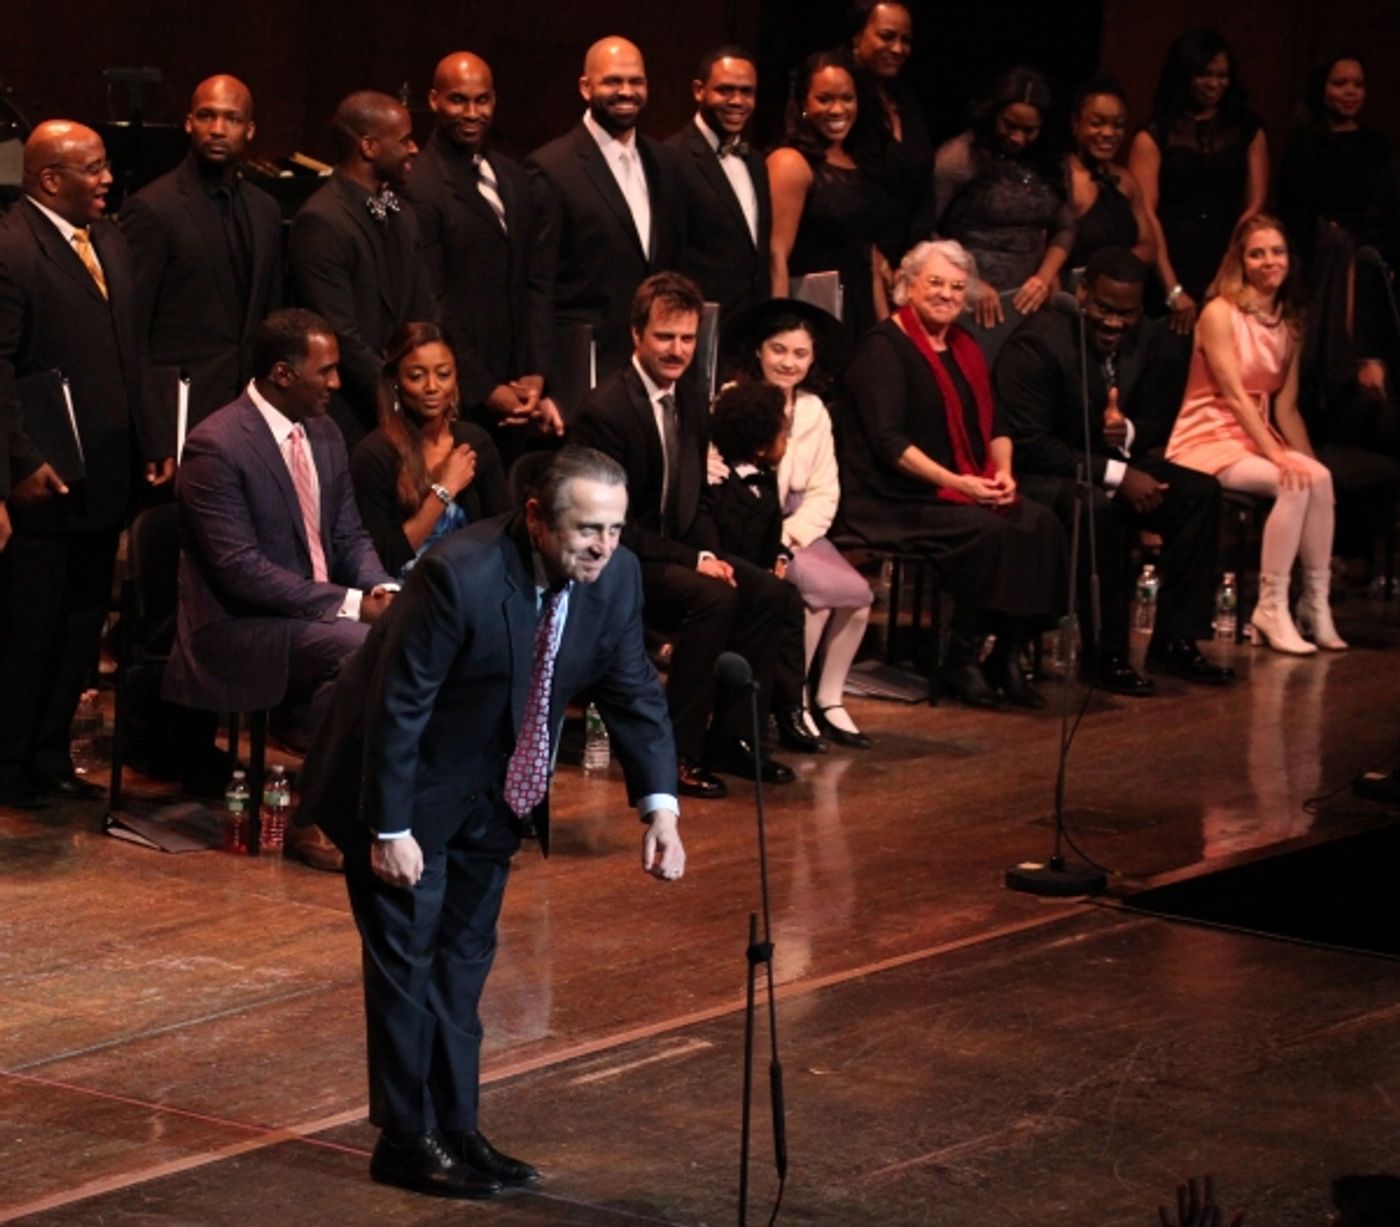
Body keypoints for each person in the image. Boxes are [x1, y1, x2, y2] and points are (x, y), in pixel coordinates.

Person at [297, 445, 685, 1200]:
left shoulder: (618, 576)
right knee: (407, 962)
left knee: (463, 962)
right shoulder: (458, 573)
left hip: (496, 792)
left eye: (615, 528)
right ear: (537, 518)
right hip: (401, 785)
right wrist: (389, 828)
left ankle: (457, 1125)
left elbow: (634, 687)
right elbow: (398, 704)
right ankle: (407, 1139)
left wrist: (659, 806)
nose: (604, 546)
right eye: (587, 529)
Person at [163, 309, 395, 867]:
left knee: (404, 631)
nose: (338, 385)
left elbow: (348, 533)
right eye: (328, 372)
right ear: (284, 374)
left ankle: (378, 805)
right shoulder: (216, 445)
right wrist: (350, 606)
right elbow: (240, 570)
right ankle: (313, 815)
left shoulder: (326, 432)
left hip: (310, 616)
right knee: (362, 646)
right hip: (237, 626)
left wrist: (382, 589)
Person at [0, 120, 172, 808]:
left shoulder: (108, 238)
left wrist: (155, 437)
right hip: (44, 476)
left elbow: (135, 348)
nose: (107, 179)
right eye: (93, 168)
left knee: (78, 625)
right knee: (27, 627)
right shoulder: (12, 248)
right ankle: (7, 760)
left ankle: (47, 752)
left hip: (105, 470)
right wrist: (20, 459)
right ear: (49, 179)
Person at [571, 272, 794, 795]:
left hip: (673, 552)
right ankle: (674, 752)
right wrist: (697, 562)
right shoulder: (605, 412)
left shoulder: (692, 400)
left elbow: (690, 502)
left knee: (769, 592)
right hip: (616, 558)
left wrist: (712, 552)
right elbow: (609, 526)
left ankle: (734, 737)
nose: (677, 350)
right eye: (665, 337)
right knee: (712, 599)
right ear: (636, 335)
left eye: (688, 338)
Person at [836, 239, 1065, 708]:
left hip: (959, 484)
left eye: (957, 286)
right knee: (986, 531)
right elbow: (890, 444)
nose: (946, 294)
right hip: (894, 496)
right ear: (907, 286)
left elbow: (997, 424)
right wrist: (958, 483)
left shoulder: (965, 345)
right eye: (935, 283)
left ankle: (1007, 651)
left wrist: (1003, 473)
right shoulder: (883, 347)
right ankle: (959, 656)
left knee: (1040, 522)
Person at [997, 247, 1232, 693]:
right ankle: (1106, 655)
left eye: (1126, 313)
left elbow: (1156, 422)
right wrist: (1115, 474)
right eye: (1104, 309)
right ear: (1082, 294)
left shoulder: (1149, 339)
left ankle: (1175, 641)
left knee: (1198, 494)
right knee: (1099, 510)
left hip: (1117, 461)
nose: (1114, 323)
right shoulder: (1040, 342)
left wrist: (1124, 433)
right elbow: (1029, 444)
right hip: (1045, 474)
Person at [1167, 215, 1345, 654]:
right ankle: (1270, 607)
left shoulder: (1289, 322)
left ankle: (1313, 604)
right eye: (1257, 253)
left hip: (1255, 434)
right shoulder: (1219, 312)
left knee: (1317, 478)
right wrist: (1280, 459)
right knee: (1291, 479)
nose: (1270, 261)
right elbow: (1232, 393)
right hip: (1208, 433)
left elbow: (1284, 407)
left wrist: (1306, 460)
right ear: (1241, 261)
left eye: (1277, 251)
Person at [404, 51, 563, 469]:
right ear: (434, 99)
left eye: (482, 100)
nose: (472, 113)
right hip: (462, 398)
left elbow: (535, 281)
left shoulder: (512, 176)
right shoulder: (419, 183)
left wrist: (535, 375)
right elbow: (431, 304)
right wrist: (484, 389)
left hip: (520, 395)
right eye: (459, 100)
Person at [726, 297, 873, 747]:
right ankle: (793, 701)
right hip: (750, 528)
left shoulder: (814, 411)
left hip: (798, 530)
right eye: (779, 350)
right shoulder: (736, 401)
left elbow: (825, 491)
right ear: (759, 351)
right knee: (818, 599)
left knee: (859, 599)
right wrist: (774, 539)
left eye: (800, 353)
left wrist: (792, 537)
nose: (788, 362)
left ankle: (828, 697)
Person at [120, 75, 284, 431]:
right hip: (181, 410)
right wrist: (153, 428)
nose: (218, 129)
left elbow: (270, 312)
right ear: (189, 122)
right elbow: (132, 330)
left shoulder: (265, 209)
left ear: (250, 129)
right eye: (207, 116)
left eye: (232, 119)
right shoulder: (152, 208)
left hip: (253, 406)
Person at [525, 36, 682, 409]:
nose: (626, 91)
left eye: (636, 81)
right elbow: (538, 283)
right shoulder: (551, 167)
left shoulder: (664, 162)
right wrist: (542, 378)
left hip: (654, 368)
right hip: (583, 369)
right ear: (586, 87)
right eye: (613, 81)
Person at [288, 91, 435, 448]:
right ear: (368, 147)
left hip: (406, 409)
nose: (414, 148)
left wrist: (427, 383)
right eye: (404, 140)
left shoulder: (402, 214)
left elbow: (422, 310)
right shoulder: (321, 221)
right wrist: (396, 399)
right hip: (348, 415)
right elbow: (340, 334)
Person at [1278, 55, 1400, 447]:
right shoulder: (1304, 145)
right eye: (1340, 83)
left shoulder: (1377, 148)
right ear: (1322, 88)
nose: (1350, 92)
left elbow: (1385, 214)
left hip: (1362, 268)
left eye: (1358, 84)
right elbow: (1291, 212)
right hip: (1314, 267)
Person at [1128, 29, 1268, 335]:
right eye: (1205, 74)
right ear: (1185, 74)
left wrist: (1225, 276)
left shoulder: (1246, 128)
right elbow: (1146, 214)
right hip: (1171, 256)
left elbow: (1255, 204)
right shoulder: (1155, 132)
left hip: (1229, 251)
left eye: (1222, 75)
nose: (1215, 84)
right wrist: (1173, 289)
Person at [351, 321, 510, 577]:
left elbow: (505, 533)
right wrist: (444, 490)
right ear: (395, 381)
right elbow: (385, 558)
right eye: (416, 376)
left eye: (443, 374)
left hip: (473, 584)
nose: (432, 387)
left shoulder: (475, 441)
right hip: (405, 592)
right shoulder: (373, 455)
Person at [767, 49, 892, 348]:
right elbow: (776, 255)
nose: (837, 110)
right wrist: (779, 331)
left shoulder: (861, 161)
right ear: (803, 104)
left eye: (847, 98)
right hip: (813, 314)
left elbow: (870, 258)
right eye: (825, 99)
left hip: (859, 310)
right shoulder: (790, 162)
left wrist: (887, 334)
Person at [933, 66, 1075, 328]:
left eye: (1030, 130)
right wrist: (967, 280)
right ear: (993, 113)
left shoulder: (1053, 162)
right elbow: (925, 231)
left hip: (1029, 300)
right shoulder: (959, 157)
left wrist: (1044, 276)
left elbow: (1065, 229)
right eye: (1009, 126)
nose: (1018, 138)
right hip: (968, 299)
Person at [664, 45, 772, 336]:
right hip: (698, 329)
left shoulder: (757, 161)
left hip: (752, 329)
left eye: (747, 92)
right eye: (725, 90)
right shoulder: (671, 159)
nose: (737, 101)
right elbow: (669, 259)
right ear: (699, 91)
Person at [844, 0, 934, 259]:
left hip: (906, 257)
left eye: (906, 40)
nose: (898, 49)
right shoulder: (841, 97)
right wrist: (873, 256)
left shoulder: (906, 98)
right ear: (857, 35)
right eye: (887, 37)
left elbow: (922, 185)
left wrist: (919, 255)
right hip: (856, 253)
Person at [1063, 75, 1155, 274]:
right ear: (1075, 123)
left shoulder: (1127, 181)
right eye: (1097, 123)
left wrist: (1112, 268)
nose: (1108, 133)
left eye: (1118, 125)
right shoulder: (1061, 177)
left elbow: (1148, 246)